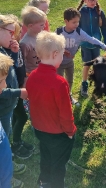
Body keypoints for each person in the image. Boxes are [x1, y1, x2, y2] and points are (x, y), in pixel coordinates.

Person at [26, 31, 77, 188]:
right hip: (58, 133)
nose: (62, 58)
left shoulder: (32, 76)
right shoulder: (60, 83)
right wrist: (70, 131)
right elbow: (65, 113)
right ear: (56, 54)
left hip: (39, 129)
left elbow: (32, 101)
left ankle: (44, 182)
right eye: (62, 54)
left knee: (46, 156)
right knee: (59, 163)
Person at [56, 8, 106, 105]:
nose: (77, 24)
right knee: (59, 82)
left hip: (70, 62)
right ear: (66, 21)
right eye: (74, 22)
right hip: (58, 63)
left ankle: (69, 95)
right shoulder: (59, 31)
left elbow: (92, 39)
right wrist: (63, 50)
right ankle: (59, 99)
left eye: (78, 22)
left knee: (69, 80)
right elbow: (52, 44)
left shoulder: (78, 32)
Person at [6, 16, 34, 160]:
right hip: (10, 94)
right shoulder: (3, 52)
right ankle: (14, 145)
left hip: (18, 88)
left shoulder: (12, 48)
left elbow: (19, 66)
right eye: (11, 33)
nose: (16, 36)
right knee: (21, 117)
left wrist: (24, 79)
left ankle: (17, 142)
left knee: (19, 117)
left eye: (16, 33)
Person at [77, 0, 106, 97]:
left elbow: (105, 28)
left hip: (97, 45)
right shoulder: (80, 13)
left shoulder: (100, 12)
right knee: (87, 65)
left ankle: (97, 84)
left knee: (97, 65)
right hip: (85, 45)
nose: (93, 1)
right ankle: (84, 83)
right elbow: (77, 29)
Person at [20, 6, 46, 78]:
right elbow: (21, 62)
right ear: (31, 26)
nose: (44, 26)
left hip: (43, 70)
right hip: (31, 74)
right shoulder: (25, 43)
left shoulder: (41, 35)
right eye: (41, 25)